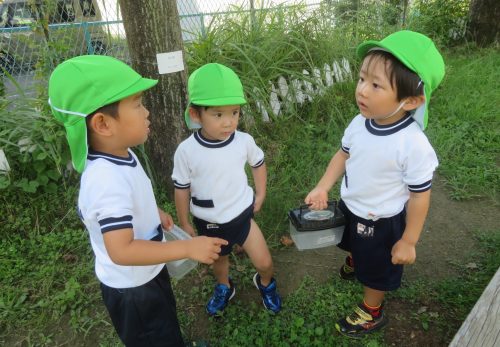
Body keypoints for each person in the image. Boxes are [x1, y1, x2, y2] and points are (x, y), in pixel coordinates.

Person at [48, 55, 227, 347]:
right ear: (103, 124)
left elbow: (133, 196)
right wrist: (187, 247)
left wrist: (153, 212)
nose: (147, 112)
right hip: (133, 290)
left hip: (148, 273)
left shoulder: (121, 152)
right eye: (138, 104)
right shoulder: (105, 181)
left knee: (167, 327)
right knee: (154, 337)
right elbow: (121, 250)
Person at [305, 30, 445, 338]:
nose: (362, 91)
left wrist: (409, 240)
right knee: (353, 241)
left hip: (380, 220)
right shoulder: (359, 123)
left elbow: (420, 197)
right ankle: (357, 257)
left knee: (377, 266)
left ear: (411, 100)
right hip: (352, 205)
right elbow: (342, 155)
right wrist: (323, 185)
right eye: (361, 79)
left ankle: (372, 310)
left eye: (376, 85)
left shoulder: (413, 145)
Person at [172, 63, 282, 316]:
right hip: (209, 222)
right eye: (218, 114)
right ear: (196, 114)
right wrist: (183, 221)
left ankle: (266, 283)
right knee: (219, 262)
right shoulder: (187, 151)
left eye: (234, 112)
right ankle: (224, 286)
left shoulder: (243, 141)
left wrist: (261, 193)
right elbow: (181, 188)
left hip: (242, 216)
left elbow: (258, 163)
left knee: (265, 262)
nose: (229, 121)